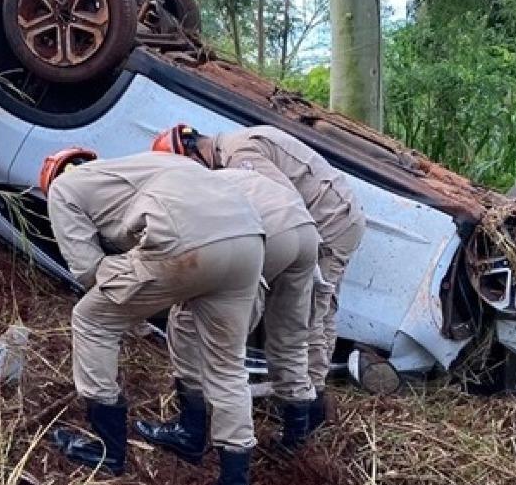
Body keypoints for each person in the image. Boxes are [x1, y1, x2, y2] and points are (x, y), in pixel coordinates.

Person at [41, 148, 265, 485]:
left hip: (185, 240)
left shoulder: (64, 189)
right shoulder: (147, 164)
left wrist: (132, 310)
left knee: (92, 319)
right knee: (228, 368)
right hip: (247, 239)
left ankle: (107, 450)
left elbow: (89, 274)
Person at [152, 124, 366, 433]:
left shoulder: (238, 155)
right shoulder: (235, 146)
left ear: (193, 154)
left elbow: (281, 202)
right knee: (298, 314)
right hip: (313, 221)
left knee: (311, 313)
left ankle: (312, 406)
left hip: (327, 221)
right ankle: (298, 402)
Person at [136, 165, 320, 456]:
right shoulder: (228, 175)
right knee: (290, 337)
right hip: (305, 233)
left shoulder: (168, 193)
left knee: (186, 318)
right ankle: (296, 439)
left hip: (265, 234)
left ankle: (190, 431)